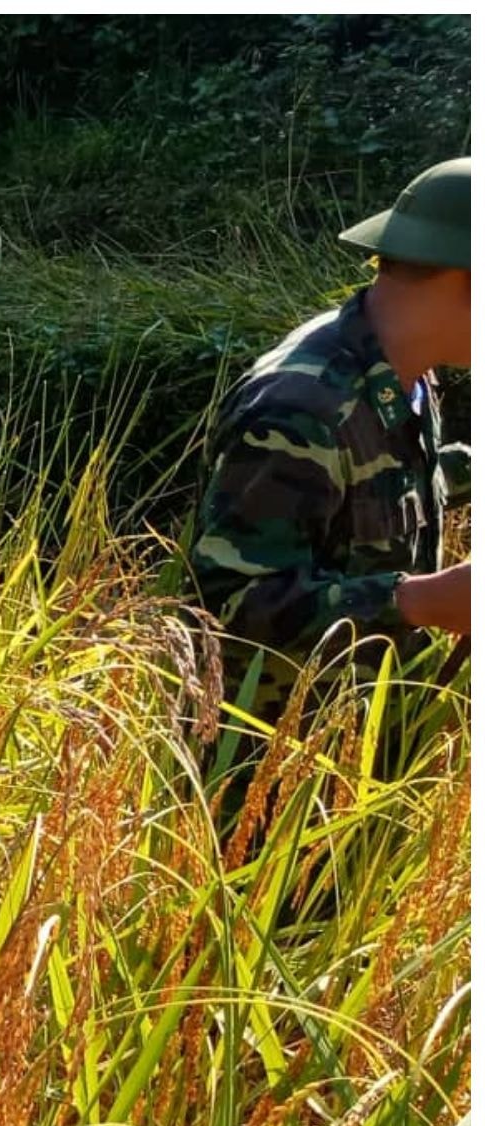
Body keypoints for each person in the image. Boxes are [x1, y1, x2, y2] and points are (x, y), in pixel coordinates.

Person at [188, 156, 469, 740]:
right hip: (268, 775)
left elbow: (375, 485)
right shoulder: (300, 408)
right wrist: (421, 602)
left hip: (357, 745)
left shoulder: (402, 369)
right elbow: (232, 609)